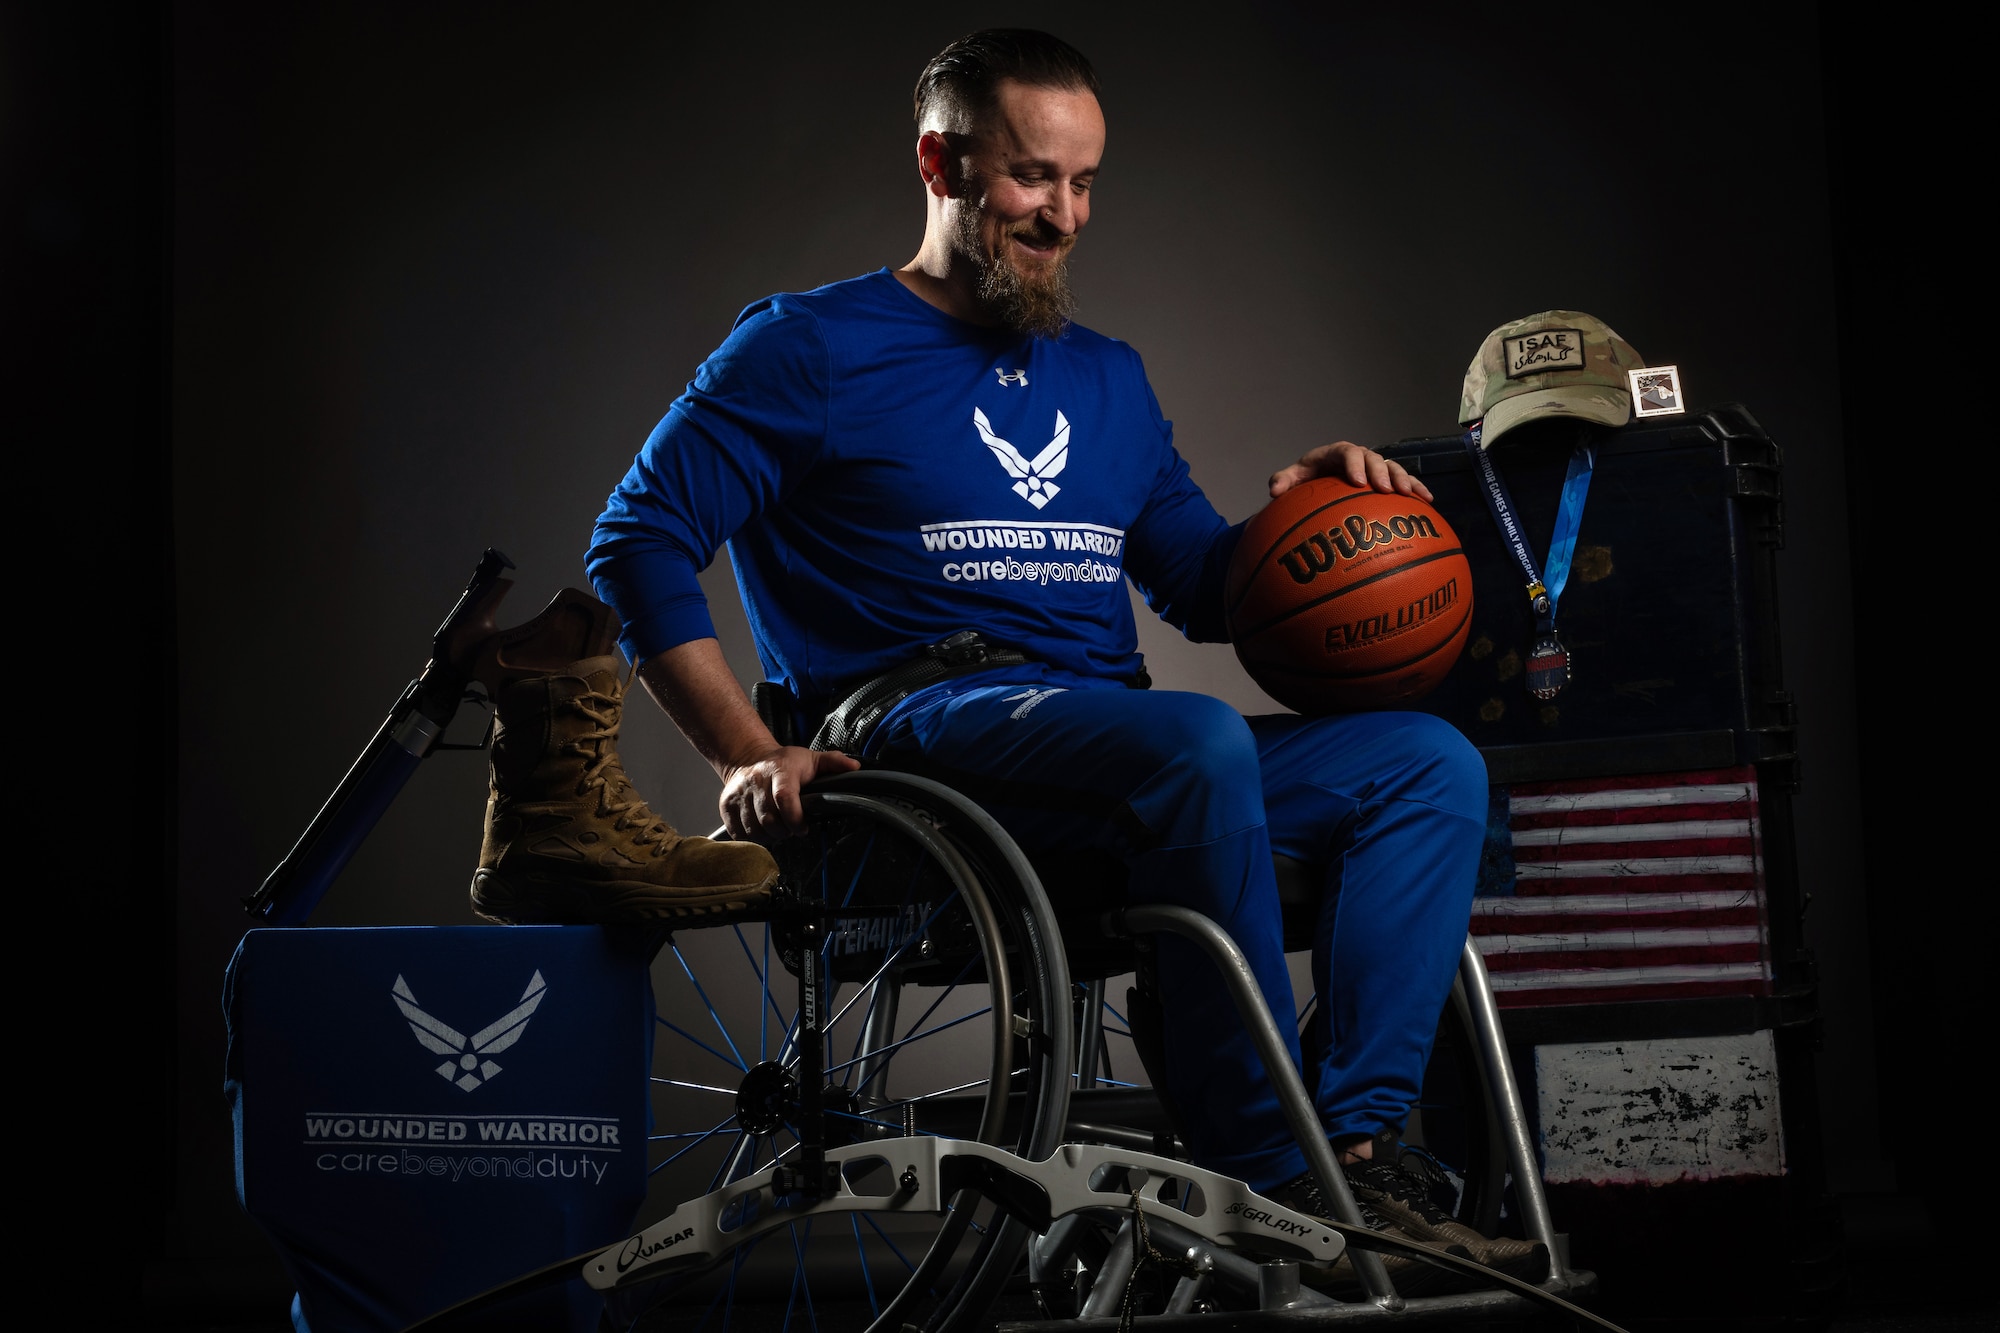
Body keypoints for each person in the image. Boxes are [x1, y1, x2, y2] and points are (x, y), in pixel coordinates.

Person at [584, 29, 1531, 1277]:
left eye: (1085, 184)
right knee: (1189, 741)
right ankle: (1265, 1175)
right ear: (941, 160)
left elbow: (1205, 590)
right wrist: (749, 751)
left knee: (1425, 763)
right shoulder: (807, 348)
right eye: (1036, 178)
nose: (1065, 215)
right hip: (915, 745)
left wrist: (1310, 528)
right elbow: (637, 539)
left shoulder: (1108, 380)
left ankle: (1356, 1156)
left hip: (1109, 756)